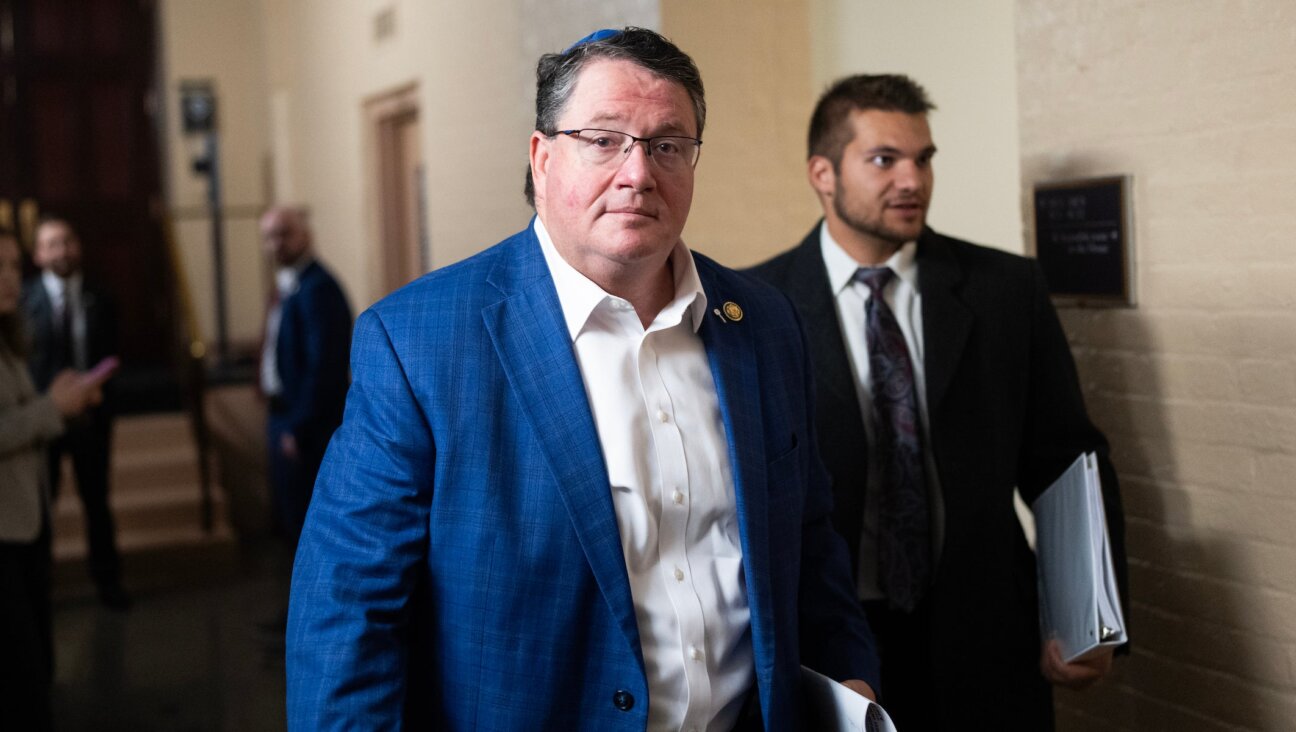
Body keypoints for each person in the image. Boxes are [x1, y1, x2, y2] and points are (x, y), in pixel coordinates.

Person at [288, 27, 878, 730]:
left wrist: (851, 675)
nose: (638, 173)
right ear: (542, 158)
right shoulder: (420, 342)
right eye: (603, 140)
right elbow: (347, 617)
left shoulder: (765, 324)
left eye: (667, 145)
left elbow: (809, 540)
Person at [748, 74, 1129, 730]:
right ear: (823, 173)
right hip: (836, 648)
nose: (912, 181)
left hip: (987, 636)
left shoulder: (1006, 290)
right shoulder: (757, 306)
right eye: (883, 160)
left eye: (923, 159)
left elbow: (1066, 460)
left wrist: (1090, 618)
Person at [0, 227, 114, 730]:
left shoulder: (7, 336)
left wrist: (60, 400)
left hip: (24, 518)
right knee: (22, 675)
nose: (9, 279)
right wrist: (53, 407)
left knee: (36, 668)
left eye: (10, 266)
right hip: (4, 528)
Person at [21, 215, 128, 609]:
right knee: (42, 509)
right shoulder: (22, 299)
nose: (61, 250)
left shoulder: (101, 295)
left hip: (91, 419)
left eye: (66, 241)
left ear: (77, 246)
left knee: (97, 502)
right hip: (42, 421)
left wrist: (99, 392)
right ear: (38, 253)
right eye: (51, 243)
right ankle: (38, 589)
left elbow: (115, 355)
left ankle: (108, 582)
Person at [258, 205, 352, 554]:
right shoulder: (289, 285)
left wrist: (298, 427)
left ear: (305, 236)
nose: (275, 243)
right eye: (268, 236)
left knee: (307, 525)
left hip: (305, 425)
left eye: (284, 233)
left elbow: (324, 366)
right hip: (282, 414)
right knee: (289, 517)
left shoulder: (318, 288)